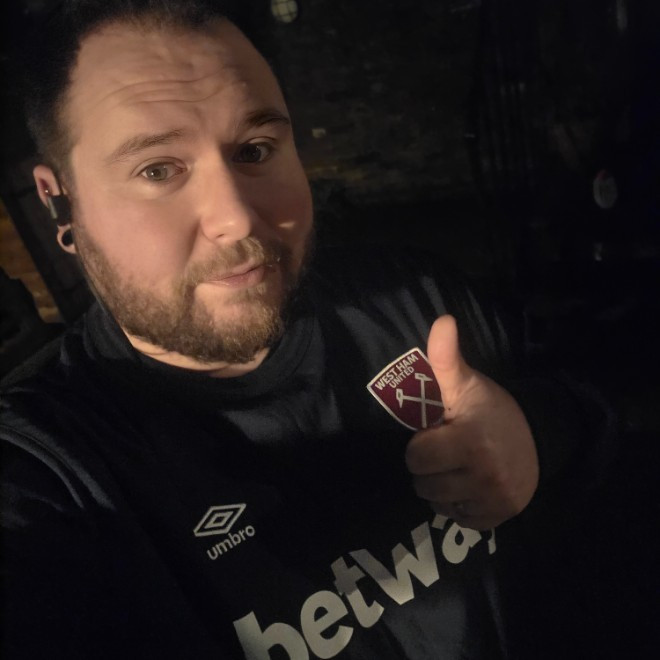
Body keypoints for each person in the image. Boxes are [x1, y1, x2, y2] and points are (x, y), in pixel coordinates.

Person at [0, 1, 609, 658]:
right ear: (59, 200)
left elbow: (595, 413)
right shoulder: (50, 466)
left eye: (255, 150)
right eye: (158, 169)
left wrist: (535, 432)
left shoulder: (416, 300)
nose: (236, 216)